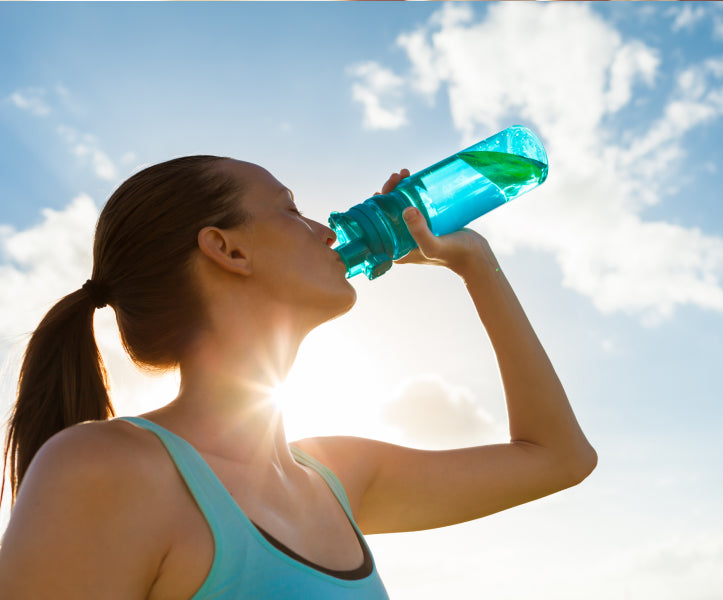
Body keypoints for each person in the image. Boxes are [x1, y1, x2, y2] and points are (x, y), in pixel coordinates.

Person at [0, 155, 596, 599]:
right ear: (228, 250)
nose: (328, 229)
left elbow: (560, 458)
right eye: (291, 210)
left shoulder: (335, 477)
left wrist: (475, 264)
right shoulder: (107, 468)